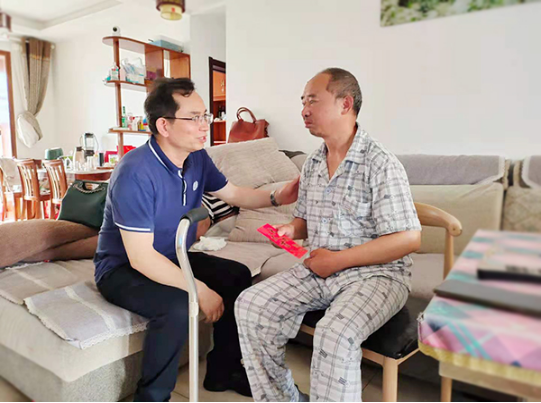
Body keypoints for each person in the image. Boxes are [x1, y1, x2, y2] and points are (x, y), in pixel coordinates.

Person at [94, 78, 300, 403]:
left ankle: (223, 372)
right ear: (164, 125)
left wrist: (279, 195)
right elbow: (141, 258)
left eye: (206, 116)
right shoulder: (135, 172)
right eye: (194, 118)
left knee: (236, 275)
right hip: (122, 269)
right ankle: (151, 398)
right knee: (177, 307)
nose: (205, 125)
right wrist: (199, 290)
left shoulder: (197, 158)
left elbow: (235, 194)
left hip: (172, 256)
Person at [235, 68, 422, 402]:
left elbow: (408, 239)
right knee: (250, 305)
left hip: (377, 275)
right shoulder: (312, 164)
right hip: (320, 269)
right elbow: (305, 221)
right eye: (302, 102)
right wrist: (291, 229)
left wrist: (337, 261)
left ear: (345, 104)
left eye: (312, 101)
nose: (303, 110)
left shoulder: (380, 163)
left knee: (334, 334)